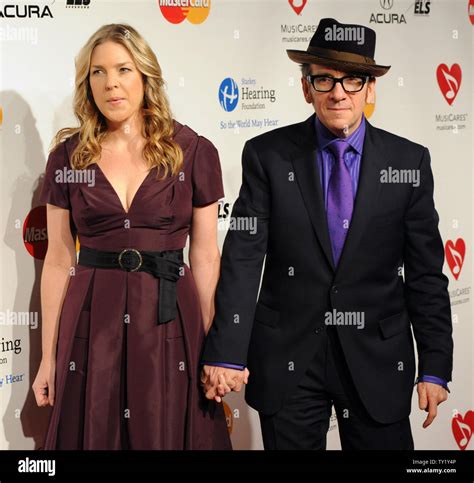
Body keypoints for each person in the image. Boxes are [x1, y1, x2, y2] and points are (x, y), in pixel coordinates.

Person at [201, 18, 452, 450]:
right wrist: (226, 351)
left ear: (371, 90)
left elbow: (426, 273)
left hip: (378, 357)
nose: (339, 93)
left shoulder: (409, 161)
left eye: (353, 80)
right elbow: (244, 258)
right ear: (306, 88)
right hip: (289, 359)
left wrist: (434, 365)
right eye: (325, 79)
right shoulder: (266, 156)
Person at [32, 23, 231, 450]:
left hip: (168, 317)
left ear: (145, 75)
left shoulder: (192, 150)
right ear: (87, 83)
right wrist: (48, 358)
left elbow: (207, 255)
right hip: (92, 317)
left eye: (123, 69)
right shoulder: (68, 157)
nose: (111, 84)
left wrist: (212, 347)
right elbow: (57, 258)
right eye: (98, 72)